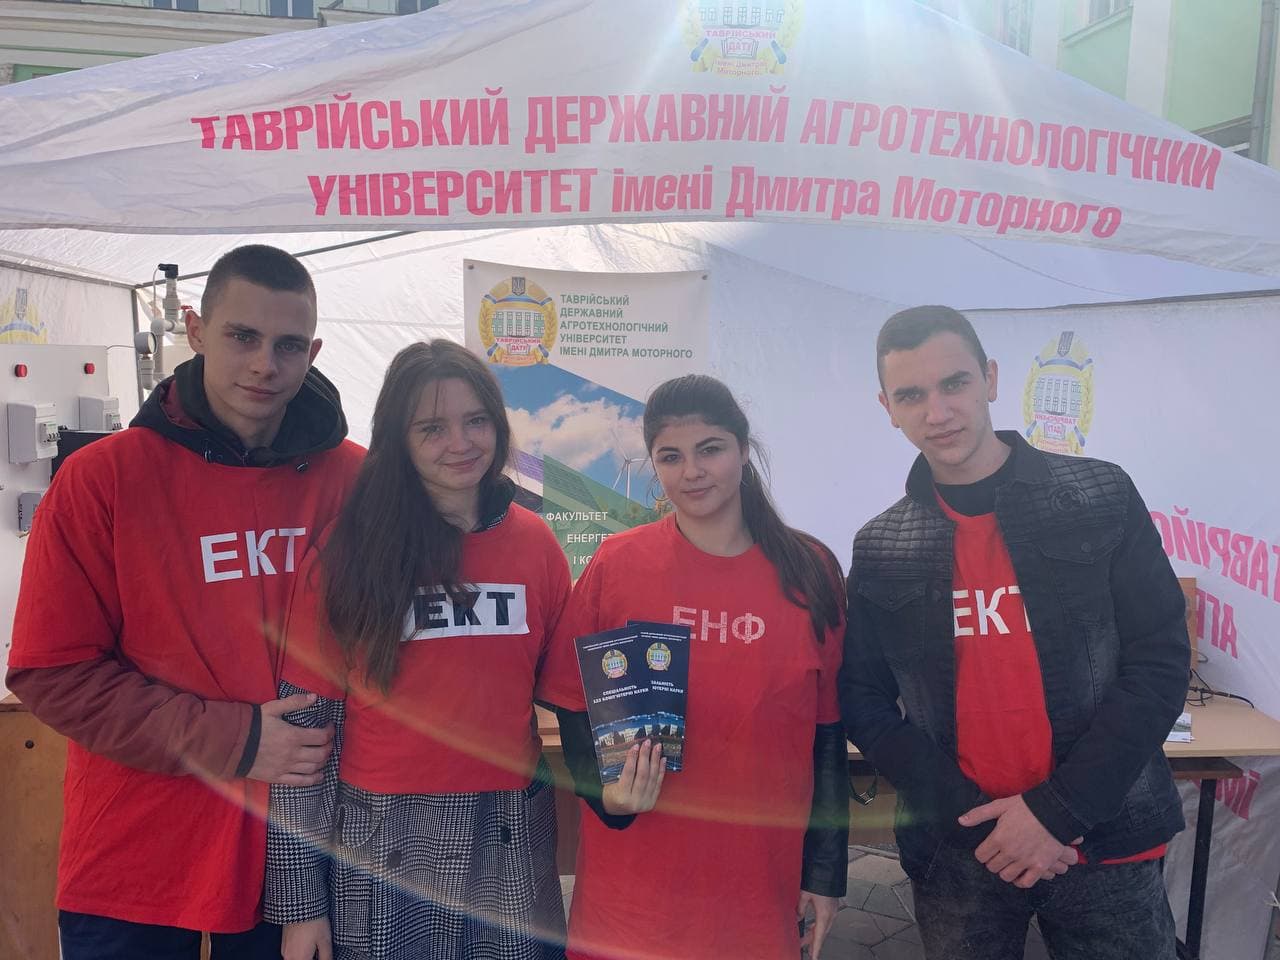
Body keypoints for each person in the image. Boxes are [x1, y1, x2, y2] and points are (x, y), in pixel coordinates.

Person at [6, 244, 364, 958]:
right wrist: (235, 740)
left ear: (314, 351)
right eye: (242, 336)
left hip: (299, 868)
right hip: (135, 857)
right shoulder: (102, 480)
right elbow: (52, 671)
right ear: (196, 331)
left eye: (288, 345)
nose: (264, 365)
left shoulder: (357, 482)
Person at [839, 305, 1188, 959]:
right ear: (887, 408)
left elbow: (1160, 661)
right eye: (911, 395)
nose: (938, 412)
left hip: (1102, 840)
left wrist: (1056, 812)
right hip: (961, 851)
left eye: (955, 383)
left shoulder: (1101, 495)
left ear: (991, 379)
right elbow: (863, 700)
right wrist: (975, 820)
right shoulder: (882, 545)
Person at [265, 339, 569, 960]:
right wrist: (301, 906)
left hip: (509, 825)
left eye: (475, 420)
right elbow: (303, 734)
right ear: (397, 440)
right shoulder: (348, 553)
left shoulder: (537, 544)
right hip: (383, 834)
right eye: (432, 428)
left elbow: (566, 687)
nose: (460, 443)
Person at [537, 374, 849, 960]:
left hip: (757, 887)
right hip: (635, 896)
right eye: (671, 457)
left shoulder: (810, 571)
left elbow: (827, 734)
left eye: (710, 449)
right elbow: (573, 705)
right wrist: (609, 799)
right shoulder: (618, 564)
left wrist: (826, 872)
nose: (693, 472)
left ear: (743, 449)